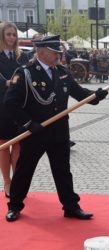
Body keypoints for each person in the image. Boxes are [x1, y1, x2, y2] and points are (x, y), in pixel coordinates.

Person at [3, 35, 108, 222]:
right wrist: (28, 123)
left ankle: (71, 206)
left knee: (63, 170)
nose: (58, 56)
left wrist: (96, 96)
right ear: (41, 52)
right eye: (55, 52)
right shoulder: (26, 72)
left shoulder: (63, 72)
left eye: (59, 52)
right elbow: (10, 103)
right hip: (34, 131)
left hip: (59, 131)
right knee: (24, 170)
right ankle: (15, 206)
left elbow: (79, 93)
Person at [0, 22, 29, 198]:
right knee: (4, 144)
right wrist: (6, 83)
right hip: (1, 105)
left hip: (18, 106)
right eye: (8, 34)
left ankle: (17, 182)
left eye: (14, 35)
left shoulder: (23, 57)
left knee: (18, 143)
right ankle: (7, 182)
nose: (12, 38)